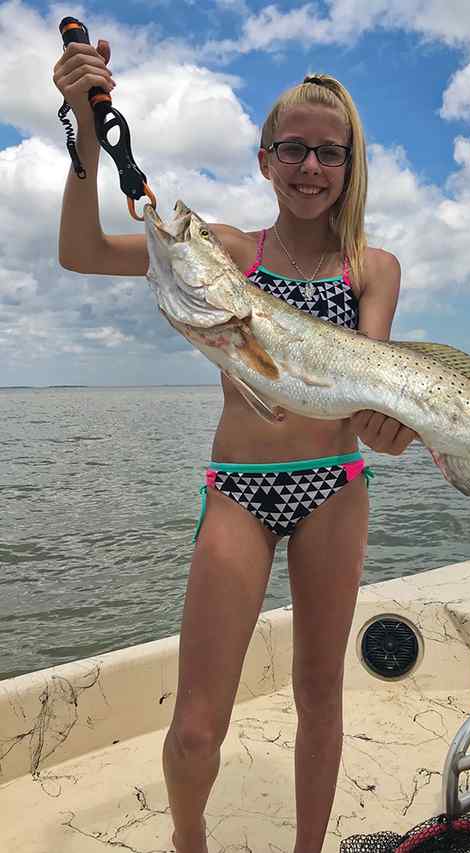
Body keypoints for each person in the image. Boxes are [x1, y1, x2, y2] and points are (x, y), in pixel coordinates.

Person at [53, 38, 417, 853]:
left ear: (351, 164)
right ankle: (189, 841)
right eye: (294, 148)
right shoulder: (227, 250)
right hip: (239, 489)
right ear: (265, 159)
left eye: (330, 151)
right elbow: (80, 253)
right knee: (192, 731)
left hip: (337, 484)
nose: (311, 166)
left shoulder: (375, 268)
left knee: (321, 694)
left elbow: (370, 388)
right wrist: (84, 126)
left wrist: (388, 431)